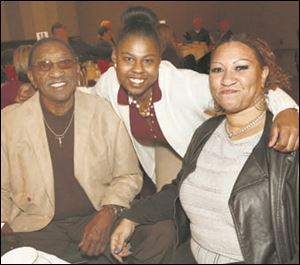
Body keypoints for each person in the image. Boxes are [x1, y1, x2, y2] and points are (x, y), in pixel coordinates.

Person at [110, 33, 299, 264]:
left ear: (263, 75)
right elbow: (179, 189)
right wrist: (132, 217)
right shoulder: (207, 131)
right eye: (217, 70)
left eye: (241, 67)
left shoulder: (287, 143)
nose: (227, 79)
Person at [94, 6, 299, 192]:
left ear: (159, 60)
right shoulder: (110, 82)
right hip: (160, 166)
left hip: (206, 162)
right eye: (128, 59)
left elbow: (239, 87)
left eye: (148, 60)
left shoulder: (183, 85)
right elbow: (87, 97)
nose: (137, 70)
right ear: (114, 58)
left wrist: (288, 110)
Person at [1, 37, 142, 263]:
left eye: (65, 63)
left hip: (94, 215)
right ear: (31, 76)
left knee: (156, 234)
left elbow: (128, 175)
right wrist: (4, 228)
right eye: (45, 66)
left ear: (77, 69)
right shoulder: (9, 121)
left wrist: (108, 212)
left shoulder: (102, 112)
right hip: (35, 226)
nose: (56, 73)